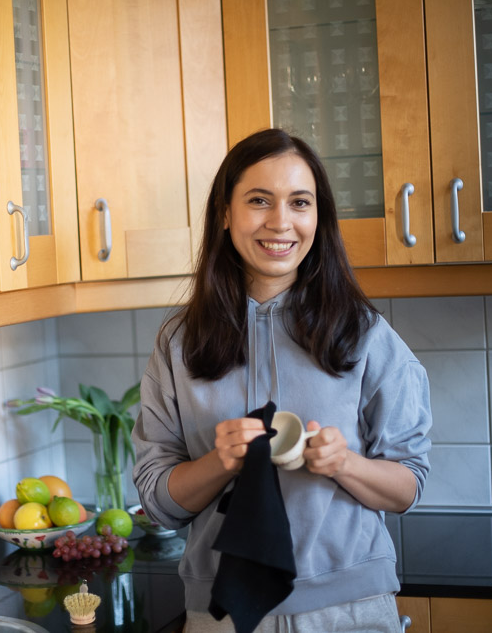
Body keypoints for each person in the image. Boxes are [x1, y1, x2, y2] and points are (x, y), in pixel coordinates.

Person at [131, 128, 432, 632]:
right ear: (225, 214)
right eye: (258, 201)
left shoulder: (364, 335)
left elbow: (408, 487)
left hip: (348, 613)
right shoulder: (179, 343)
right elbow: (159, 503)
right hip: (221, 616)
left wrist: (344, 463)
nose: (280, 222)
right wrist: (219, 462)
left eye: (299, 202)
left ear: (319, 217)